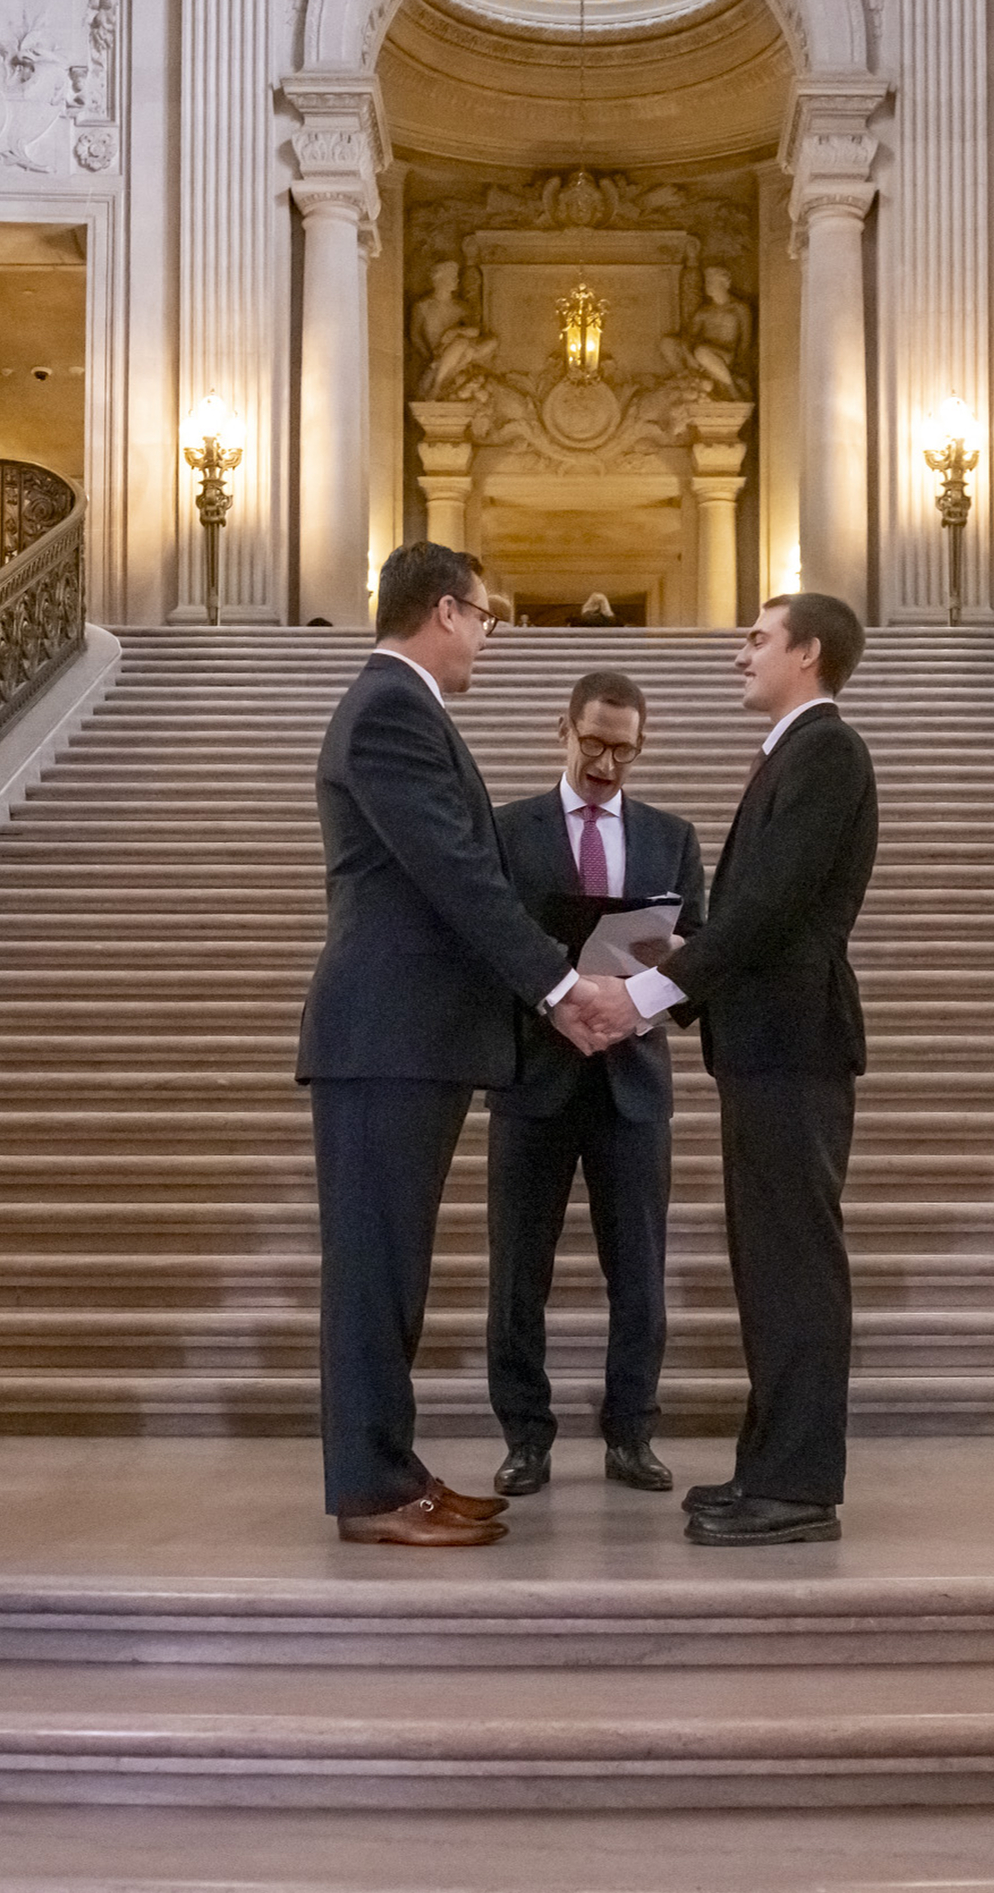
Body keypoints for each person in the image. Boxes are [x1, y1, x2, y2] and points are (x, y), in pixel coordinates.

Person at [297, 541, 630, 1547]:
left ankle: (390, 1469)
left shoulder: (400, 708)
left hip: (413, 1036)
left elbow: (461, 872)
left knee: (390, 1269)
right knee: (372, 1269)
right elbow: (453, 872)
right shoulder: (392, 709)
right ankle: (371, 1488)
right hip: (387, 1035)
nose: (488, 632)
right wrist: (562, 984)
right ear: (446, 610)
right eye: (484, 614)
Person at [586, 595, 878, 1548]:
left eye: (757, 637)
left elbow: (771, 915)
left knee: (793, 1267)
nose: (739, 652)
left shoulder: (827, 751)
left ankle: (797, 1486)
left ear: (810, 652)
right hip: (769, 1046)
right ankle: (770, 1467)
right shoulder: (795, 753)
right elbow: (754, 910)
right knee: (769, 1265)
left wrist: (647, 995)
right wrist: (683, 947)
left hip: (794, 1047)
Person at [485, 671, 708, 1498]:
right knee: (518, 1271)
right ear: (563, 731)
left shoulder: (670, 837)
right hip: (533, 1074)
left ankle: (631, 1434)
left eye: (625, 750)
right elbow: (488, 939)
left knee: (639, 1268)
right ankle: (526, 1438)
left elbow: (695, 949)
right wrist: (555, 996)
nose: (608, 764)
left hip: (632, 1077)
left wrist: (640, 997)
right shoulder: (509, 830)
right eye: (594, 745)